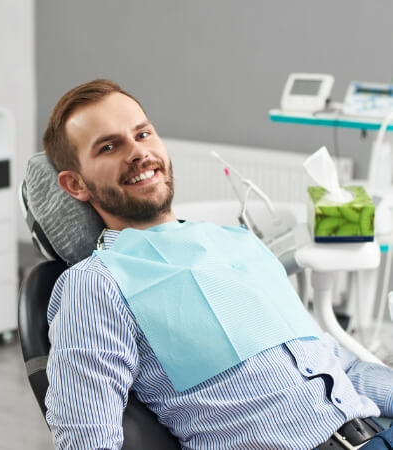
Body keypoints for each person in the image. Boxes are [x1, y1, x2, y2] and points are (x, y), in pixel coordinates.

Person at [43, 78, 393, 450]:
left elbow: (341, 366)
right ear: (76, 185)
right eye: (109, 146)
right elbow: (87, 440)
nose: (137, 152)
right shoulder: (97, 284)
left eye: (143, 134)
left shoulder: (239, 243)